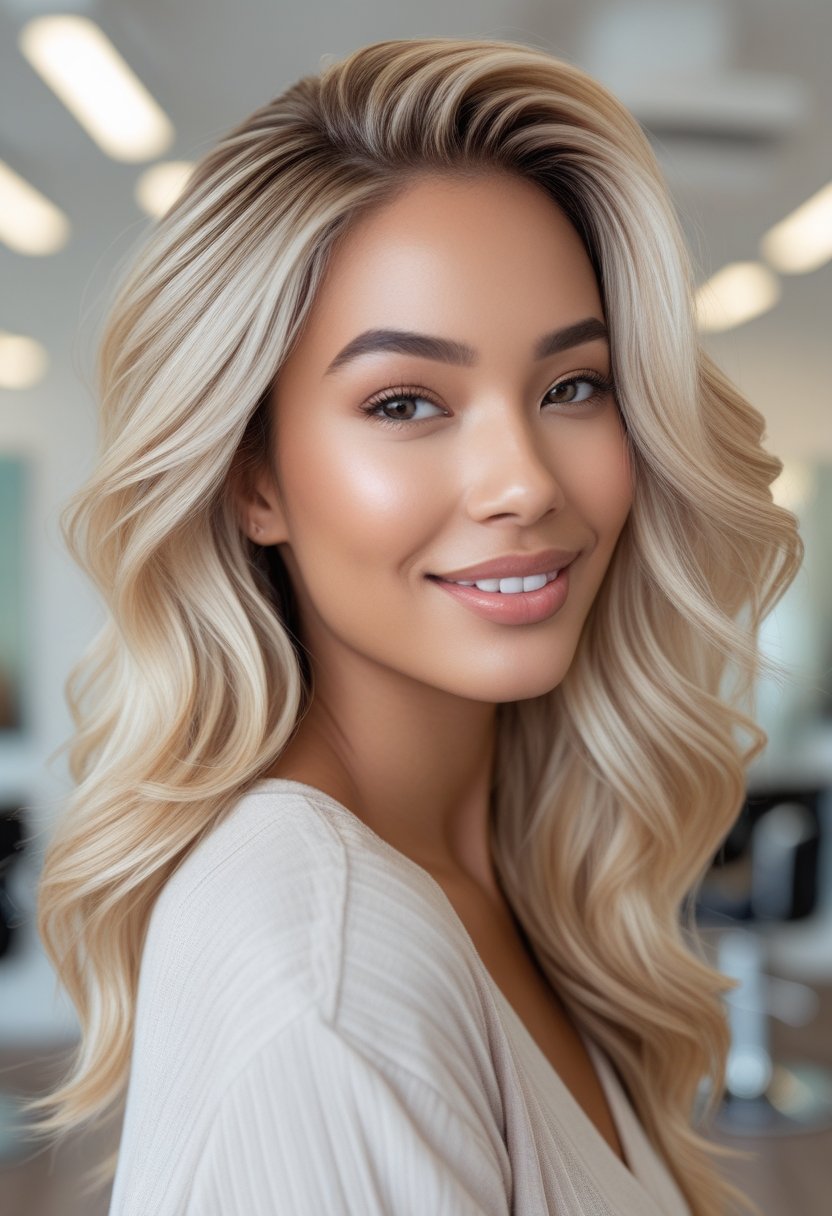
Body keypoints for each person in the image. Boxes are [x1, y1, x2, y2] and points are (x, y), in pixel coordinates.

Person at [23, 35, 802, 1216]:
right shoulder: (328, 979)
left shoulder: (498, 873)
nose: (522, 481)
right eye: (404, 402)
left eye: (573, 386)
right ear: (254, 481)